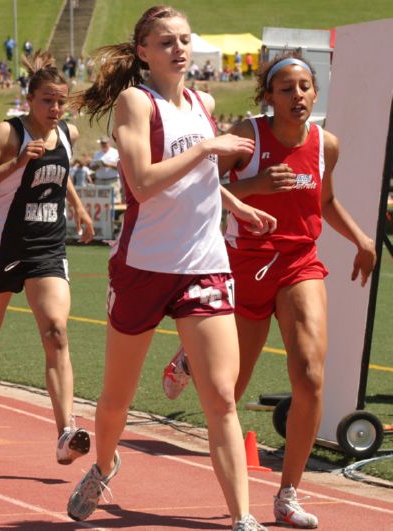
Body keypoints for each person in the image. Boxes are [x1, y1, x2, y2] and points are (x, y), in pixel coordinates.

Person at [64, 6, 276, 530]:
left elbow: (198, 174)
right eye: (165, 42)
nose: (179, 49)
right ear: (143, 52)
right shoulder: (137, 103)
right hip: (145, 266)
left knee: (221, 396)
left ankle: (241, 517)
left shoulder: (203, 101)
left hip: (204, 263)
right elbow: (141, 182)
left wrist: (234, 203)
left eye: (184, 39)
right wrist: (209, 146)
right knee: (116, 398)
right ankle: (105, 464)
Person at [161, 51, 377, 528]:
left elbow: (327, 201)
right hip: (243, 266)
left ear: (315, 93)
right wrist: (254, 185)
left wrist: (361, 237)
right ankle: (192, 356)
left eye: (304, 87)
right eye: (286, 89)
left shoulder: (326, 145)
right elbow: (197, 182)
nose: (297, 96)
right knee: (229, 392)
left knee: (310, 377)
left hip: (299, 263)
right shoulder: (246, 136)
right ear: (269, 97)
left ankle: (288, 493)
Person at [0, 50, 95, 466]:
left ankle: (65, 432)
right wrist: (18, 163)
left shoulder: (69, 135)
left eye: (61, 101)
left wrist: (76, 206)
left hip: (47, 249)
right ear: (29, 99)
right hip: (4, 249)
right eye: (47, 100)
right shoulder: (8, 134)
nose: (55, 108)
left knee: (56, 333)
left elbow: (58, 174)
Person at [90, 136, 121, 201]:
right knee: (101, 201)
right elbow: (92, 167)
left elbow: (120, 167)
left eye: (105, 143)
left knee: (114, 200)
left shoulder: (115, 152)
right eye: (102, 143)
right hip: (99, 181)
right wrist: (98, 166)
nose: (103, 145)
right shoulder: (97, 154)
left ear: (109, 143)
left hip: (112, 181)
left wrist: (108, 165)